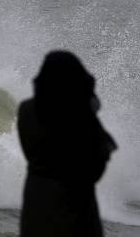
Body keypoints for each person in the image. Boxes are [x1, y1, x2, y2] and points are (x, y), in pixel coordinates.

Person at [17, 51, 117, 237]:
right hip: (74, 205)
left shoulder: (26, 109)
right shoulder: (80, 117)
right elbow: (96, 166)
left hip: (36, 201)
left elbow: (29, 150)